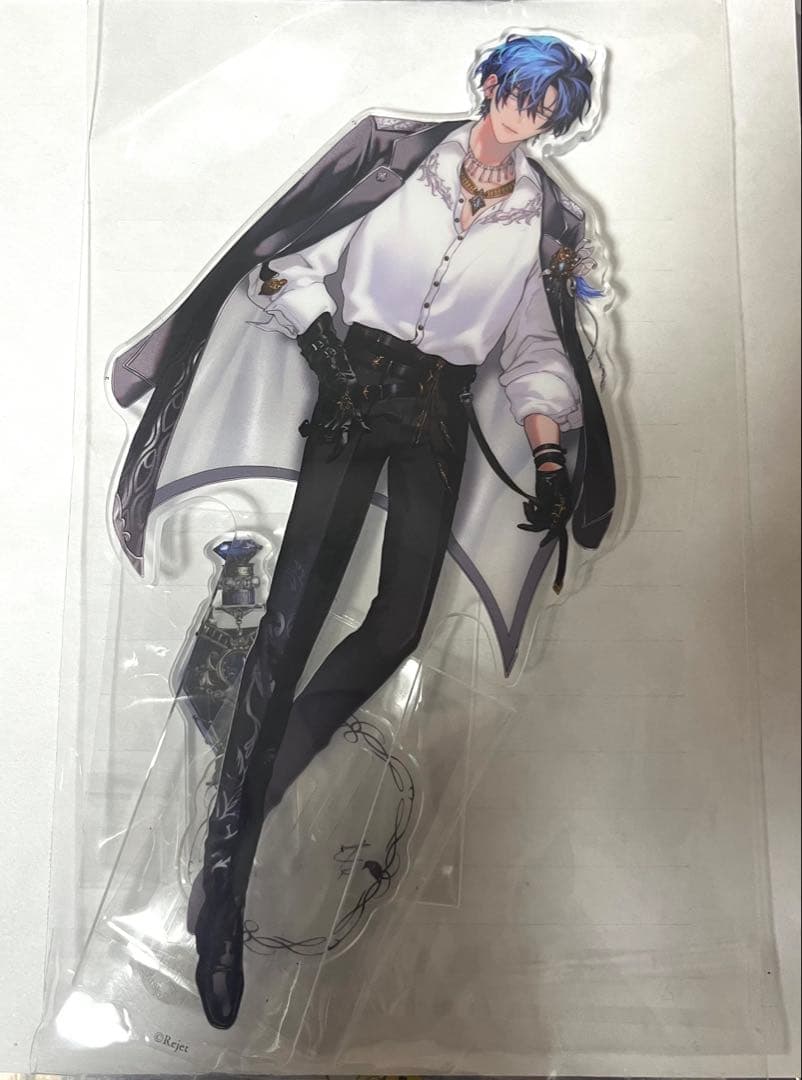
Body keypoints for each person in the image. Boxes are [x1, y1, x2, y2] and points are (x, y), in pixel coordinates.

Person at [109, 33, 615, 1029]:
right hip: (353, 387)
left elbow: (533, 352)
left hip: (436, 414)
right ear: (489, 85)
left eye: (546, 111)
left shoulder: (547, 217)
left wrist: (552, 461)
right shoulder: (396, 158)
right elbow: (289, 263)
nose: (525, 119)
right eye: (519, 96)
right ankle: (222, 887)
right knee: (292, 615)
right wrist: (325, 348)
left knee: (397, 623)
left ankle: (245, 799)